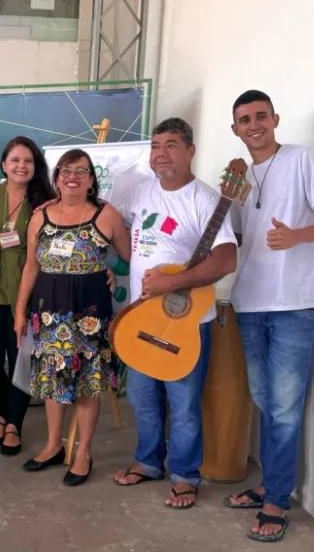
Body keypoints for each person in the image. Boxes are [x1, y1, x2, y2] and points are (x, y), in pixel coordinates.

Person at [222, 91, 314, 542]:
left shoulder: (302, 159)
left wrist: (298, 236)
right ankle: (270, 485)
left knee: (285, 408)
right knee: (265, 400)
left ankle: (276, 498)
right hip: (249, 303)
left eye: (260, 116)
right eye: (243, 120)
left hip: (294, 304)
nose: (253, 125)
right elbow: (235, 236)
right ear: (234, 129)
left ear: (275, 119)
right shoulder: (240, 176)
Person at [112, 118, 237, 509]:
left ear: (190, 152)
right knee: (143, 398)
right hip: (140, 319)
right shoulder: (139, 193)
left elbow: (226, 257)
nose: (160, 154)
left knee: (183, 406)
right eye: (155, 146)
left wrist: (172, 282)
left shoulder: (204, 199)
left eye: (170, 145)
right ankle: (148, 462)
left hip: (183, 323)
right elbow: (121, 233)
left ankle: (185, 476)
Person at [14, 148, 129, 484]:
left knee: (86, 385)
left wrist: (110, 269)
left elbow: (129, 257)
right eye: (65, 170)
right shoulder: (42, 216)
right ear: (57, 177)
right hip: (49, 312)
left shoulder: (106, 215)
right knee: (52, 383)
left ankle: (83, 452)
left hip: (90, 313)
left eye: (81, 171)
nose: (72, 176)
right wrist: (20, 311)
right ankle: (53, 445)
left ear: (91, 180)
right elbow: (31, 267)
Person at [0, 137, 55, 457]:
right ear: (4, 164)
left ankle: (13, 425)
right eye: (15, 160)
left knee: (20, 359)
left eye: (28, 161)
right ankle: (1, 413)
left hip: (28, 287)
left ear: (36, 167)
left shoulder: (46, 201)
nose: (21, 166)